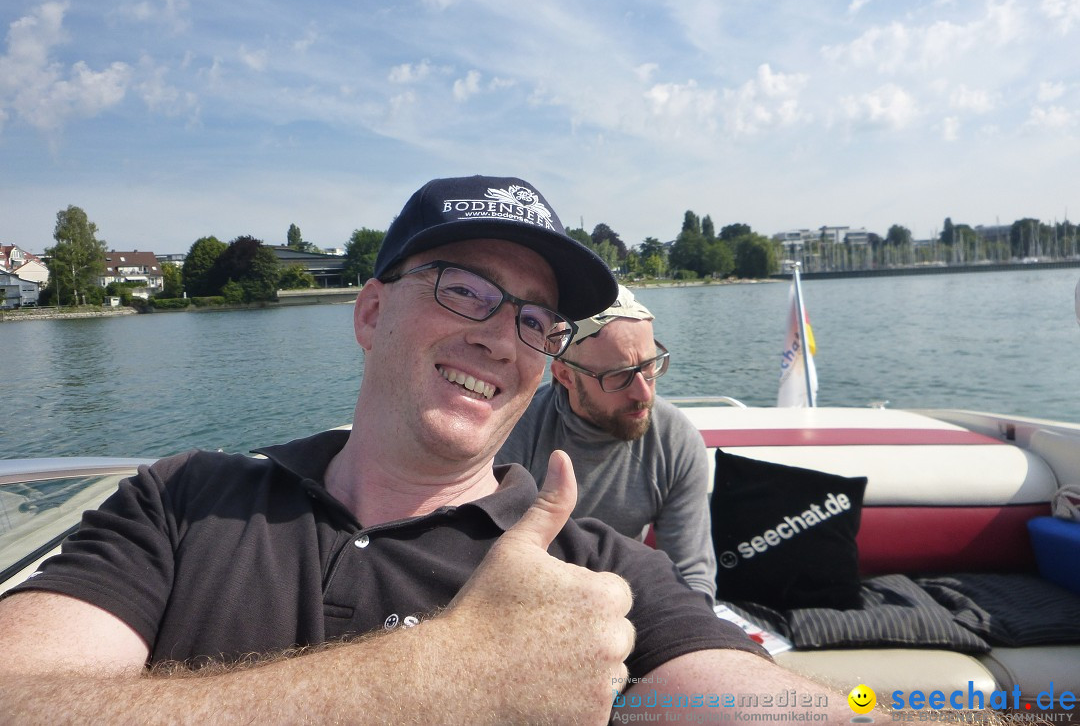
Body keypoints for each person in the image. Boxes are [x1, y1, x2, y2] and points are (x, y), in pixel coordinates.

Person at [0, 176, 871, 724]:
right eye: (466, 291)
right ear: (372, 313)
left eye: (538, 321)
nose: (503, 338)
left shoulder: (590, 571)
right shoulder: (185, 502)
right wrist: (429, 682)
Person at [496, 285, 717, 598]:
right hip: (528, 599)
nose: (644, 393)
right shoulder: (515, 431)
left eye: (649, 366)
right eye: (618, 376)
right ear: (565, 376)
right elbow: (485, 563)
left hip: (632, 606)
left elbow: (690, 575)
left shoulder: (675, 441)